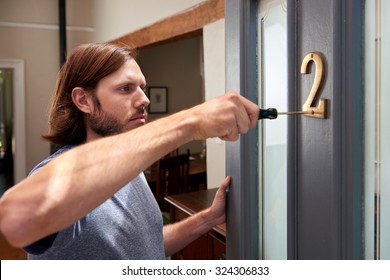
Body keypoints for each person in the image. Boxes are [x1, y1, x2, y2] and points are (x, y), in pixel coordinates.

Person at [0, 42, 259, 259]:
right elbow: (17, 217)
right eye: (125, 89)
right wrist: (190, 122)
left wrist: (208, 219)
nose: (144, 99)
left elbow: (145, 245)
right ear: (84, 101)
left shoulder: (131, 170)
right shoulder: (57, 174)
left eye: (141, 88)